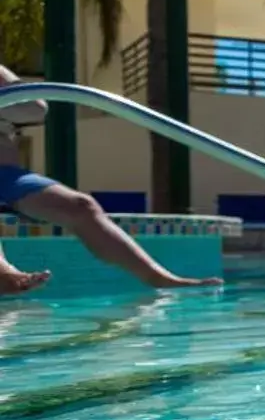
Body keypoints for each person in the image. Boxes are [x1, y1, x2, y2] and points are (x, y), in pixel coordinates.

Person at [0, 63, 218, 293]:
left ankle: (159, 278)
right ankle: (5, 273)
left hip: (8, 175)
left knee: (82, 206)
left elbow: (36, 108)